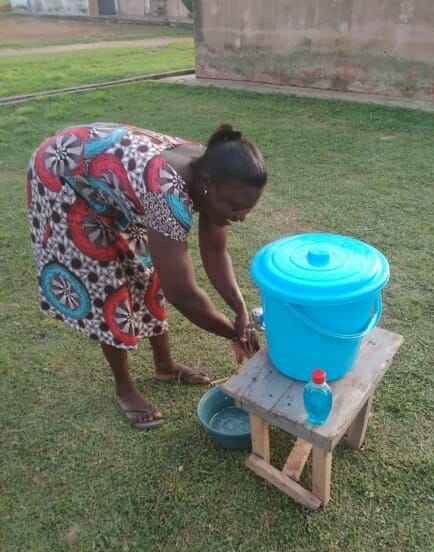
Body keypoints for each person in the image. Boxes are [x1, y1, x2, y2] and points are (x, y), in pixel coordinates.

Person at [27, 122, 267, 429]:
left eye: (247, 209)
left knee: (146, 272)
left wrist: (240, 309)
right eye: (235, 207)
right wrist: (234, 334)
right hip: (64, 178)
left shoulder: (217, 171)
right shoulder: (167, 193)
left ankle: (164, 367)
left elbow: (216, 253)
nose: (241, 217)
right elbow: (183, 294)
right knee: (107, 287)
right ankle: (124, 387)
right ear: (208, 184)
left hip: (112, 180)